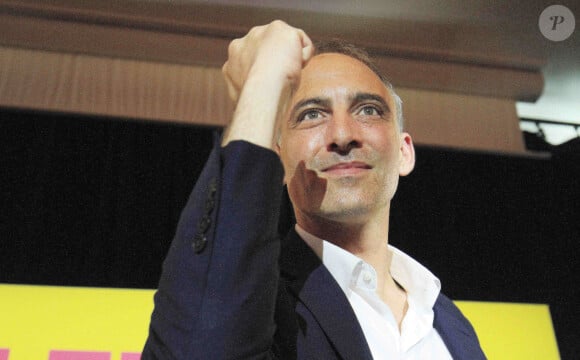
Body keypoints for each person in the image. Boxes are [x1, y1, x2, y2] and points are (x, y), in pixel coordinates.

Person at [142, 20, 486, 359]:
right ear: (277, 157)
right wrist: (263, 83)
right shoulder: (265, 305)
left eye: (368, 110)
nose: (342, 134)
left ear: (404, 151)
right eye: (311, 115)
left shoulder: (451, 324)